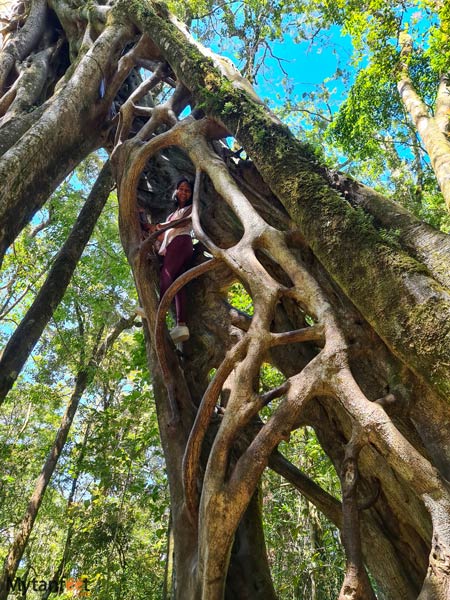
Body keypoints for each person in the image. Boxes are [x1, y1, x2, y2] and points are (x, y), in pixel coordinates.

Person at [155, 178, 194, 343]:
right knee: (178, 285)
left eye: (187, 190)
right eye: (181, 189)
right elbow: (164, 234)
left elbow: (182, 223)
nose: (184, 192)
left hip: (181, 242)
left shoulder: (191, 208)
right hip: (176, 245)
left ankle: (158, 311)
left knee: (166, 274)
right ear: (176, 191)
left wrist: (162, 225)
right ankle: (181, 325)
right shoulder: (172, 214)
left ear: (191, 194)